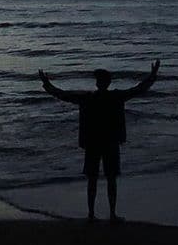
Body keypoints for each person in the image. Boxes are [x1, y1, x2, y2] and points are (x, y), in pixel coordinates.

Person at [38, 60, 160, 223]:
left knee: (93, 179)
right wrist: (152, 76)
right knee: (110, 179)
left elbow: (63, 95)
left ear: (98, 83)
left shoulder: (88, 98)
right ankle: (111, 214)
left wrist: (47, 84)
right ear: (108, 83)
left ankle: (92, 214)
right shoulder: (115, 97)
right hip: (109, 142)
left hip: (93, 142)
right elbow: (138, 89)